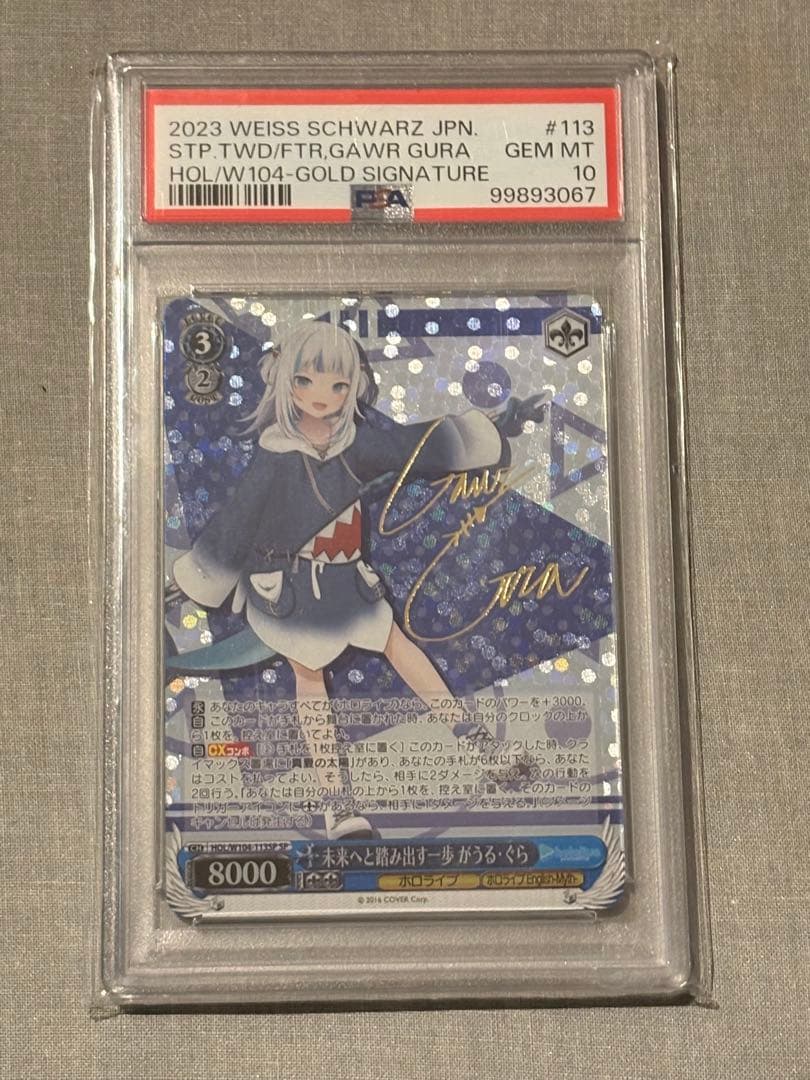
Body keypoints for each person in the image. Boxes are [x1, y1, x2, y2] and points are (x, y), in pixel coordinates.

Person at [171, 320, 545, 838]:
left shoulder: (356, 445)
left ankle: (478, 743)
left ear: (353, 388)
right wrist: (200, 575)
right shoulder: (275, 455)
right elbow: (236, 521)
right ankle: (337, 804)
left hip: (349, 581)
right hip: (290, 588)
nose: (320, 396)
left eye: (337, 385)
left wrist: (493, 428)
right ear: (285, 381)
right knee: (309, 678)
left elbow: (415, 446)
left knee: (398, 645)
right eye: (306, 381)